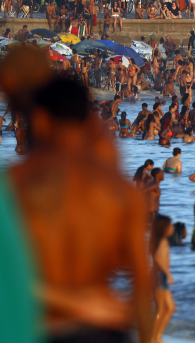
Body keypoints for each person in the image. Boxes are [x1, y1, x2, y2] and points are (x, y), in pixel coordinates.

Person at [4, 76, 152, 343]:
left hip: (40, 327)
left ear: (40, 119)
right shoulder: (121, 191)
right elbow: (142, 286)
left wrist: (70, 303)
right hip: (105, 326)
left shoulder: (15, 185)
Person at [150, 214, 176, 343]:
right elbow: (157, 258)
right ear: (164, 228)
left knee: (170, 308)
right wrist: (168, 274)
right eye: (170, 225)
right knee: (161, 308)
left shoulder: (159, 241)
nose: (172, 228)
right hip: (159, 276)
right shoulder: (161, 241)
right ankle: (153, 338)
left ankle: (157, 336)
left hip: (161, 276)